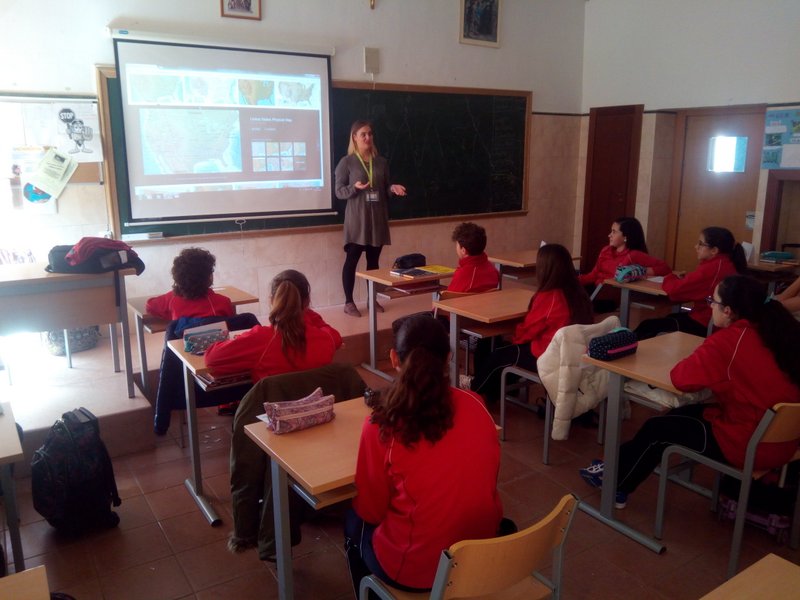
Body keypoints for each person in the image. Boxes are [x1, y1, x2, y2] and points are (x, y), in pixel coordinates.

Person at [580, 275, 800, 509]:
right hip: (787, 441)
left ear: (727, 310)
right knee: (678, 416)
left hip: (750, 445)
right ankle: (613, 467)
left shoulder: (731, 341)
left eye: (712, 302)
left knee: (657, 429)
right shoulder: (783, 332)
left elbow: (681, 379)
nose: (710, 306)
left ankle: (615, 486)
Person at [344, 313, 503, 594]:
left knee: (353, 523)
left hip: (416, 571)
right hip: (482, 556)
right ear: (449, 357)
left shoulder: (382, 426)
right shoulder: (477, 404)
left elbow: (371, 510)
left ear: (394, 358)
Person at [469, 243, 593, 401]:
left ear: (544, 269)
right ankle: (498, 391)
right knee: (505, 349)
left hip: (549, 357)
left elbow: (529, 330)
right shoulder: (579, 293)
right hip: (572, 356)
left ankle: (474, 390)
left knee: (498, 356)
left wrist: (514, 339)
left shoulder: (550, 296)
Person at [205, 269, 342, 381]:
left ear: (272, 300)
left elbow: (211, 359)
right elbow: (335, 336)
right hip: (315, 406)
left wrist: (238, 339)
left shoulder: (260, 338)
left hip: (271, 407)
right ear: (307, 302)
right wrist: (305, 313)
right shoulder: (325, 339)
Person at [335, 120, 407, 318]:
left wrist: (392, 188)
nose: (368, 137)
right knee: (352, 260)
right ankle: (349, 302)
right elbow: (339, 191)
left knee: (373, 262)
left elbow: (384, 188)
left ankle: (371, 299)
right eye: (363, 134)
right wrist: (354, 188)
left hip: (377, 220)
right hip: (357, 220)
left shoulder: (381, 162)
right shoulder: (346, 162)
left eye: (370, 134)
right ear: (354, 137)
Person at [635, 226, 746, 339]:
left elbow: (674, 290)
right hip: (709, 319)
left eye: (701, 244)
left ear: (714, 250)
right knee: (670, 317)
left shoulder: (712, 269)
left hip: (706, 324)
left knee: (647, 326)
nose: (696, 247)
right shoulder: (726, 264)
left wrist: (671, 277)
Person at [578, 217, 671, 313]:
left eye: (614, 232)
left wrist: (639, 270)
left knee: (576, 304)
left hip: (610, 297)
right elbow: (593, 275)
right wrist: (572, 281)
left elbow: (665, 268)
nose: (609, 235)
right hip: (596, 290)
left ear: (625, 237)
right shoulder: (606, 250)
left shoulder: (634, 255)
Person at [145, 247, 234, 321]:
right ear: (209, 277)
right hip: (218, 338)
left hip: (180, 338)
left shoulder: (170, 299)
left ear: (177, 276)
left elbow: (150, 306)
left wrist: (170, 315)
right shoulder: (224, 302)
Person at [446, 221, 499, 293]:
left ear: (463, 250)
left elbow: (448, 297)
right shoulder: (494, 271)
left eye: (457, 245)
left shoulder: (463, 275)